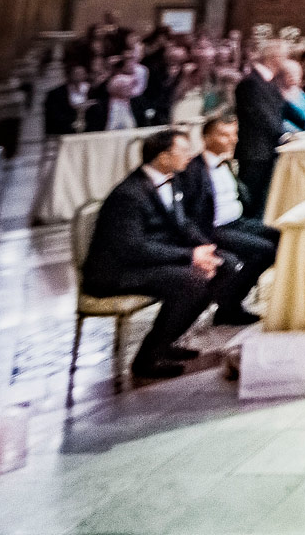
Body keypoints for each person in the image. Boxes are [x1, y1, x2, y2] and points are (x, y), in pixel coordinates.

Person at [79, 129, 247, 381]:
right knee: (193, 280)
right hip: (118, 272)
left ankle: (167, 338)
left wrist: (205, 248)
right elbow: (133, 248)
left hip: (149, 260)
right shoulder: (129, 195)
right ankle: (146, 360)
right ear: (162, 156)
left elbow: (183, 224)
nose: (190, 156)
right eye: (182, 151)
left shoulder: (172, 180)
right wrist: (190, 256)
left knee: (226, 265)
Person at [177, 114, 276, 326]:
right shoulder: (193, 169)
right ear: (206, 137)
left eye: (234, 134)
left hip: (238, 222)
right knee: (264, 249)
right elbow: (188, 213)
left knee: (279, 236)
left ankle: (231, 300)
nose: (232, 140)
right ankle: (228, 306)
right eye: (224, 135)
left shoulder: (227, 163)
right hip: (213, 228)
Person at [232, 41, 290, 219]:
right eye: (284, 57)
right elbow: (263, 116)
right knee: (250, 198)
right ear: (274, 57)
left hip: (267, 150)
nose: (285, 62)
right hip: (254, 151)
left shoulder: (269, 82)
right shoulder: (251, 83)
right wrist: (284, 135)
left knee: (261, 200)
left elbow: (283, 107)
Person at [44, 65, 108, 135]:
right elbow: (55, 113)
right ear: (70, 75)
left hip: (88, 127)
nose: (79, 76)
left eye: (81, 73)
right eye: (76, 73)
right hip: (67, 127)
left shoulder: (91, 89)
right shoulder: (58, 93)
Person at [105, 51, 146, 130]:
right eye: (127, 62)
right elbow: (110, 89)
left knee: (129, 125)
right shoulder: (118, 79)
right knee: (114, 127)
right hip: (116, 104)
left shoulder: (127, 77)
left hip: (125, 104)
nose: (130, 65)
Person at [277, 59, 305, 132]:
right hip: (290, 133)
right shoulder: (278, 94)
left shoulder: (300, 91)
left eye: (295, 73)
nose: (292, 76)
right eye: (288, 73)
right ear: (281, 76)